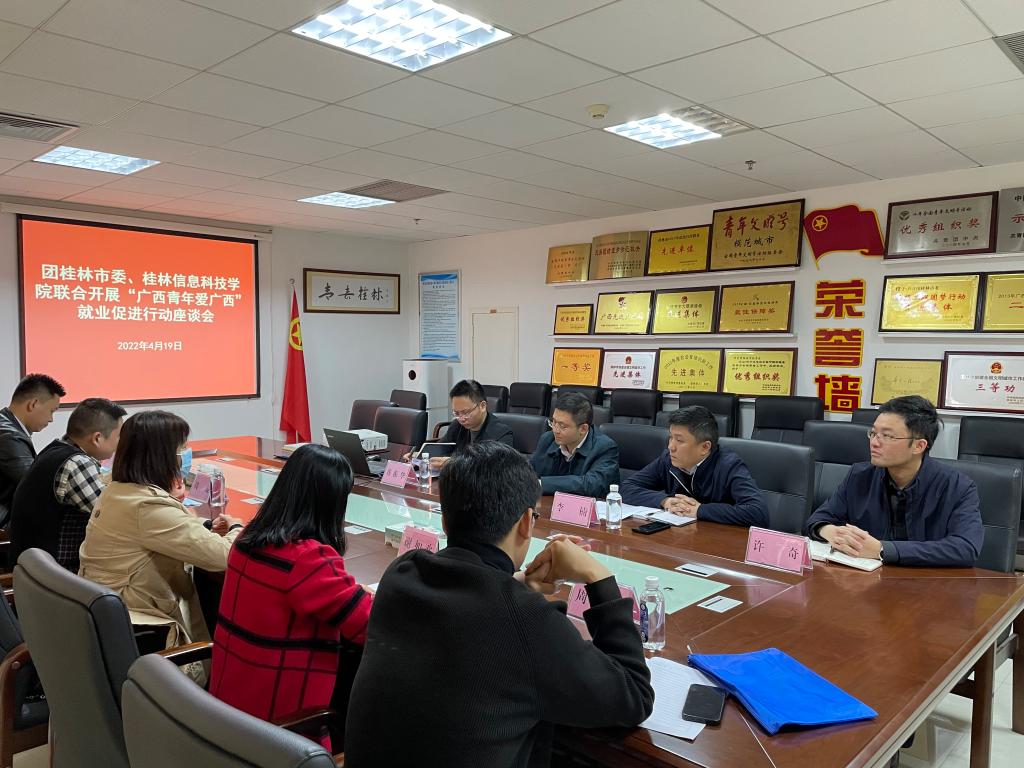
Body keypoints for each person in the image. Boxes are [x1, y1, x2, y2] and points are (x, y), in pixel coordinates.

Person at [344, 441, 653, 768]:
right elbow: (633, 695)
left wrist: (517, 584)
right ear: (526, 522)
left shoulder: (402, 573)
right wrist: (598, 576)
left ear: (445, 520)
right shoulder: (527, 620)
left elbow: (472, 608)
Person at [210, 444, 372, 751]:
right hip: (281, 733)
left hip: (229, 714)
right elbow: (369, 624)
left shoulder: (246, 538)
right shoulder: (308, 560)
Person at [79, 410, 244, 655]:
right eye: (181, 448)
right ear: (162, 455)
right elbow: (225, 556)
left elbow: (167, 529)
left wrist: (206, 526)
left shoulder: (118, 489)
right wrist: (237, 528)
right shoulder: (147, 506)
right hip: (142, 627)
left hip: (111, 617)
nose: (185, 454)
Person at [805, 396, 983, 567]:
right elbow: (817, 519)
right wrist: (832, 532)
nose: (874, 443)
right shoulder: (860, 475)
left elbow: (966, 548)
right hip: (866, 580)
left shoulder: (957, 487)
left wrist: (882, 550)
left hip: (928, 582)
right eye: (873, 433)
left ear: (919, 446)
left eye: (888, 436)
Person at [10, 397, 126, 573]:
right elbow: (113, 517)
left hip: (31, 568)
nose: (120, 443)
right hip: (57, 574)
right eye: (118, 436)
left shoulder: (55, 449)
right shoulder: (77, 462)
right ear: (97, 438)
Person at [620, 405, 768, 526]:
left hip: (717, 542)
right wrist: (665, 501)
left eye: (679, 440)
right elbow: (626, 488)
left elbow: (757, 512)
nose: (671, 446)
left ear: (705, 447)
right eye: (670, 438)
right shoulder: (668, 460)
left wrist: (700, 510)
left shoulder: (729, 465)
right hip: (679, 537)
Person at [0, 374, 65, 526]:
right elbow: (35, 483)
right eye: (51, 411)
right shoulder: (10, 436)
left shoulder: (6, 425)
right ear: (34, 404)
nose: (51, 419)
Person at [530, 392, 619, 497]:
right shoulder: (548, 439)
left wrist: (541, 484)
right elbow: (529, 470)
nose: (555, 430)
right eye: (553, 422)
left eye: (562, 426)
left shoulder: (605, 448)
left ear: (583, 429)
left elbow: (592, 485)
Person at [408, 379, 513, 467]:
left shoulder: (501, 433)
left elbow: (493, 469)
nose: (461, 419)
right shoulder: (457, 426)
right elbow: (440, 449)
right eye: (456, 413)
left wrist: (454, 464)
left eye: (466, 412)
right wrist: (417, 457)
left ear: (482, 406)